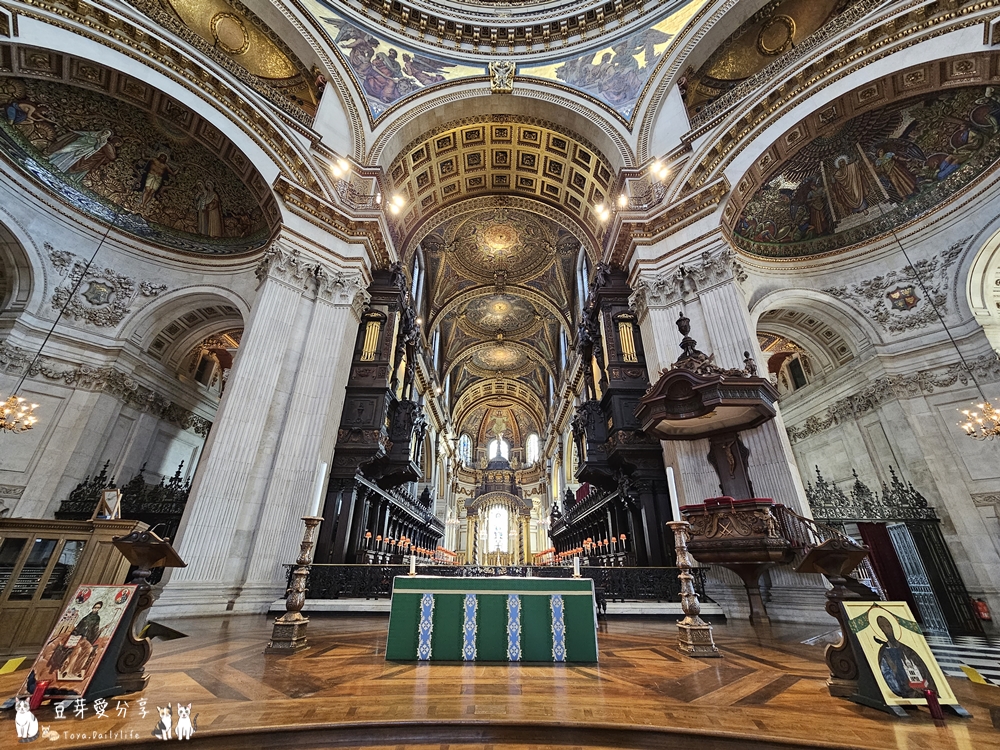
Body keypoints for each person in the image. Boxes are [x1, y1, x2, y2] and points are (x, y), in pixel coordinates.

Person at [873, 613, 937, 699]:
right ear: (881, 630)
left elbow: (922, 667)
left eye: (888, 626)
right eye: (883, 627)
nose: (887, 629)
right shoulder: (884, 651)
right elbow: (887, 673)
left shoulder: (906, 648)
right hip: (902, 687)